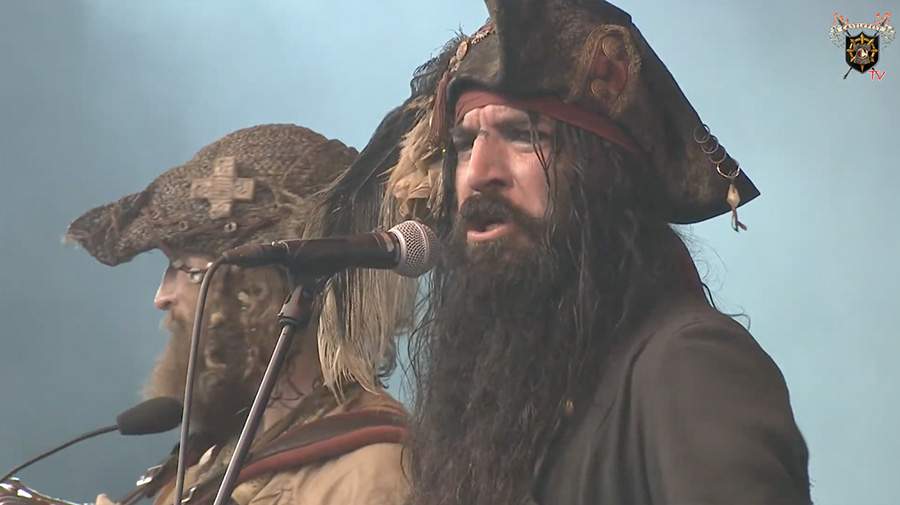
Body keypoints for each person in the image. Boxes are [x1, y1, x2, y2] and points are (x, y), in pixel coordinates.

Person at [375, 2, 812, 504]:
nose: (478, 173)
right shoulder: (512, 401)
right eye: (466, 143)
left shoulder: (690, 365)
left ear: (600, 175)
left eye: (524, 136)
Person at [65, 124, 409, 505]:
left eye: (182, 267)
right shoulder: (210, 456)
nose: (161, 297)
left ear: (258, 288)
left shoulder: (374, 473)